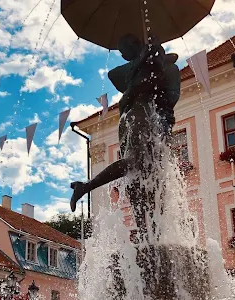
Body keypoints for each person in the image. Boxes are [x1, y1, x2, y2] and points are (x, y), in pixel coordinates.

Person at [69, 33, 181, 242]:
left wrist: (156, 64)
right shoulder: (134, 68)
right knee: (136, 165)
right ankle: (86, 187)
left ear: (134, 43)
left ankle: (151, 236)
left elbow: (172, 96)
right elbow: (114, 75)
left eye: (123, 50)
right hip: (134, 117)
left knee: (152, 175)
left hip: (155, 120)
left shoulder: (168, 67)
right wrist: (143, 61)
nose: (121, 55)